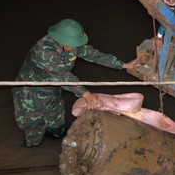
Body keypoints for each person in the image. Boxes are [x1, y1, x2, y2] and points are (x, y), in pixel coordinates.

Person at [11, 19, 138, 147]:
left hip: (52, 89)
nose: (76, 47)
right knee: (34, 126)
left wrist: (124, 65)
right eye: (73, 44)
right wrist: (87, 95)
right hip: (30, 94)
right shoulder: (44, 51)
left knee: (56, 120)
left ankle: (55, 137)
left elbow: (94, 55)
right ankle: (32, 148)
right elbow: (63, 77)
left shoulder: (71, 45)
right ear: (61, 40)